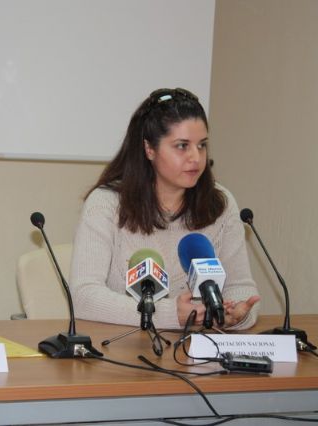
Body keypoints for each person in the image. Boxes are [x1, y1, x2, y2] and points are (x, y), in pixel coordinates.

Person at [69, 88, 259, 330]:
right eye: (182, 146)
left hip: (197, 348)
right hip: (123, 345)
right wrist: (169, 314)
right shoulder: (106, 204)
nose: (196, 157)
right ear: (150, 149)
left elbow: (241, 287)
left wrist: (234, 315)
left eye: (202, 145)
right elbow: (83, 297)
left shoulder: (220, 203)